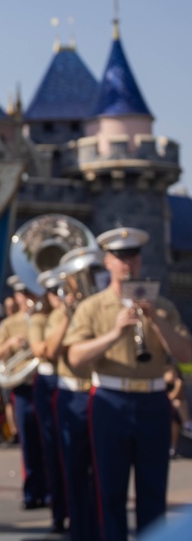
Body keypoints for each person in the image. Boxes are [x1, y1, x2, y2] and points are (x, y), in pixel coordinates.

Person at [65, 227, 192, 541]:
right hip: (110, 399)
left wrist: (157, 321)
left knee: (153, 491)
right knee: (110, 492)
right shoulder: (92, 307)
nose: (127, 264)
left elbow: (187, 355)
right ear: (107, 262)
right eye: (120, 257)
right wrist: (114, 333)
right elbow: (75, 358)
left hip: (152, 401)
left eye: (132, 256)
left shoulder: (162, 306)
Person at [44, 246, 102, 541]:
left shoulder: (105, 307)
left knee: (105, 471)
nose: (88, 280)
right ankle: (80, 530)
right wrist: (68, 315)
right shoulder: (58, 315)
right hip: (74, 396)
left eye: (92, 274)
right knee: (76, 469)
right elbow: (50, 353)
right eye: (82, 276)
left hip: (103, 392)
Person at [0, 274, 47, 510]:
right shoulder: (10, 324)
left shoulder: (45, 318)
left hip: (44, 383)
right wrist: (10, 344)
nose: (26, 298)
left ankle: (51, 492)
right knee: (29, 443)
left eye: (29, 292)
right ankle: (31, 491)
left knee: (49, 441)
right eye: (22, 294)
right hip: (23, 387)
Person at [28, 269, 67, 533]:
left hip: (73, 384)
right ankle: (59, 511)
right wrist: (66, 317)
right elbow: (46, 351)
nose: (58, 296)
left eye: (62, 290)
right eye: (53, 291)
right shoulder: (41, 319)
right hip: (50, 383)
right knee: (53, 449)